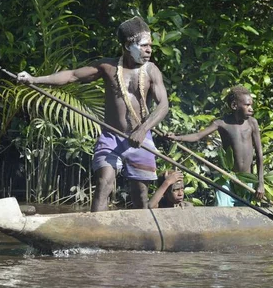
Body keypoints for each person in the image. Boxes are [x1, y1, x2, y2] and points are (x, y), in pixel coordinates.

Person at [17, 17, 169, 211]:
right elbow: (72, 75)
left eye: (150, 46)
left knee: (140, 194)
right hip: (111, 137)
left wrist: (143, 130)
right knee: (104, 184)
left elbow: (163, 105)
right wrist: (34, 80)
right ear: (127, 45)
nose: (149, 50)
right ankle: (96, 234)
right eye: (144, 45)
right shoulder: (107, 67)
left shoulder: (152, 71)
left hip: (141, 137)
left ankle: (144, 233)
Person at [166, 86, 264, 206]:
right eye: (247, 105)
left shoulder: (252, 123)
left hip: (246, 180)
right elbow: (198, 136)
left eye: (251, 105)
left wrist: (260, 183)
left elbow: (259, 154)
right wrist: (177, 137)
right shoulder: (222, 123)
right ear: (234, 105)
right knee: (222, 210)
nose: (251, 109)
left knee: (243, 212)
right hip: (228, 178)